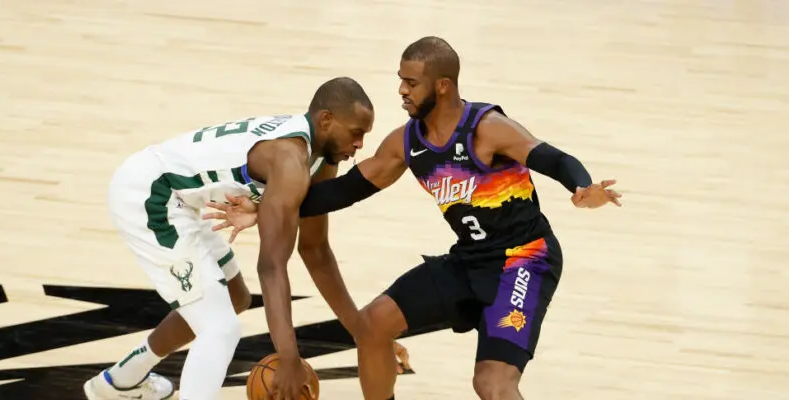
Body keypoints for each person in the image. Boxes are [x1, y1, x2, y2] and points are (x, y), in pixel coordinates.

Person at [205, 36, 623, 400]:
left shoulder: (485, 127)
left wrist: (582, 188)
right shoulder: (407, 142)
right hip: (469, 260)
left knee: (491, 383)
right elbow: (345, 191)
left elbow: (550, 156)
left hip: (523, 260)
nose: (401, 90)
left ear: (442, 86)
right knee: (371, 327)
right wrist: (265, 209)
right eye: (400, 80)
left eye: (411, 82)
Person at [83, 76, 383, 400]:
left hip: (183, 200)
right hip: (150, 196)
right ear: (327, 119)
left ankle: (119, 382)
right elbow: (271, 267)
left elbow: (315, 250)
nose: (360, 145)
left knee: (234, 298)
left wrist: (362, 332)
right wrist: (289, 356)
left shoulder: (320, 157)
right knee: (220, 329)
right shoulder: (290, 159)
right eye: (356, 133)